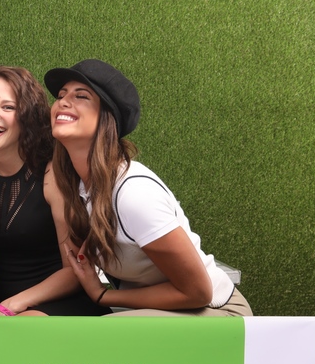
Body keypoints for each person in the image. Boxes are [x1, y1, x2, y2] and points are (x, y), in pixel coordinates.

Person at [45, 59, 252, 316]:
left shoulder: (133, 193)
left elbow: (198, 292)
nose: (63, 102)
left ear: (106, 119)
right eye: (61, 95)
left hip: (214, 311)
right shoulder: (80, 189)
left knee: (99, 334)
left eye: (81, 96)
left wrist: (102, 295)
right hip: (156, 311)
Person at [0, 66, 109, 317]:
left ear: (27, 115)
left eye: (8, 107)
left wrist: (12, 305)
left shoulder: (51, 173)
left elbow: (75, 269)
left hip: (61, 305)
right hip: (4, 309)